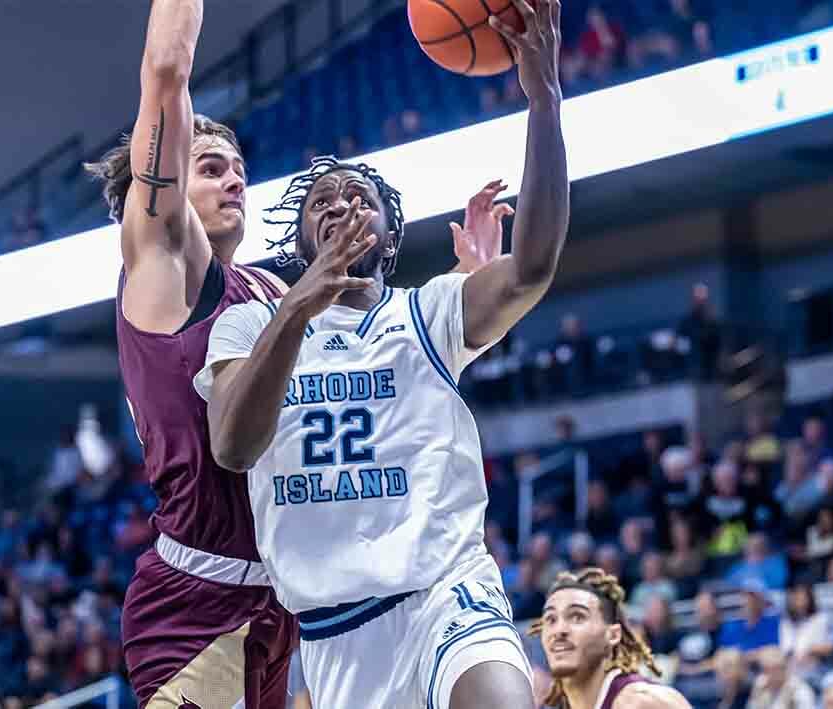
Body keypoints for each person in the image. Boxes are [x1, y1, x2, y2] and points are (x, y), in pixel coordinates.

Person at [82, 2, 506, 706]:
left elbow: (382, 335)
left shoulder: (273, 290)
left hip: (288, 598)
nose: (234, 180)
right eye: (210, 167)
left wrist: (468, 280)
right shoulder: (161, 263)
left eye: (239, 169)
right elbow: (166, 72)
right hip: (197, 594)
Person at [199, 2, 566, 706]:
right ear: (300, 241)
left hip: (447, 593)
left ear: (389, 238)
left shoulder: (428, 311)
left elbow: (532, 269)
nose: (340, 205)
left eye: (358, 198)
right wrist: (299, 304)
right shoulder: (250, 326)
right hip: (336, 634)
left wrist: (544, 99)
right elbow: (235, 447)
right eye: (321, 202)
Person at [534, 569, 691, 708]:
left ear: (613, 635)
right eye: (551, 619)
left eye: (577, 617)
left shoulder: (641, 702)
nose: (559, 630)